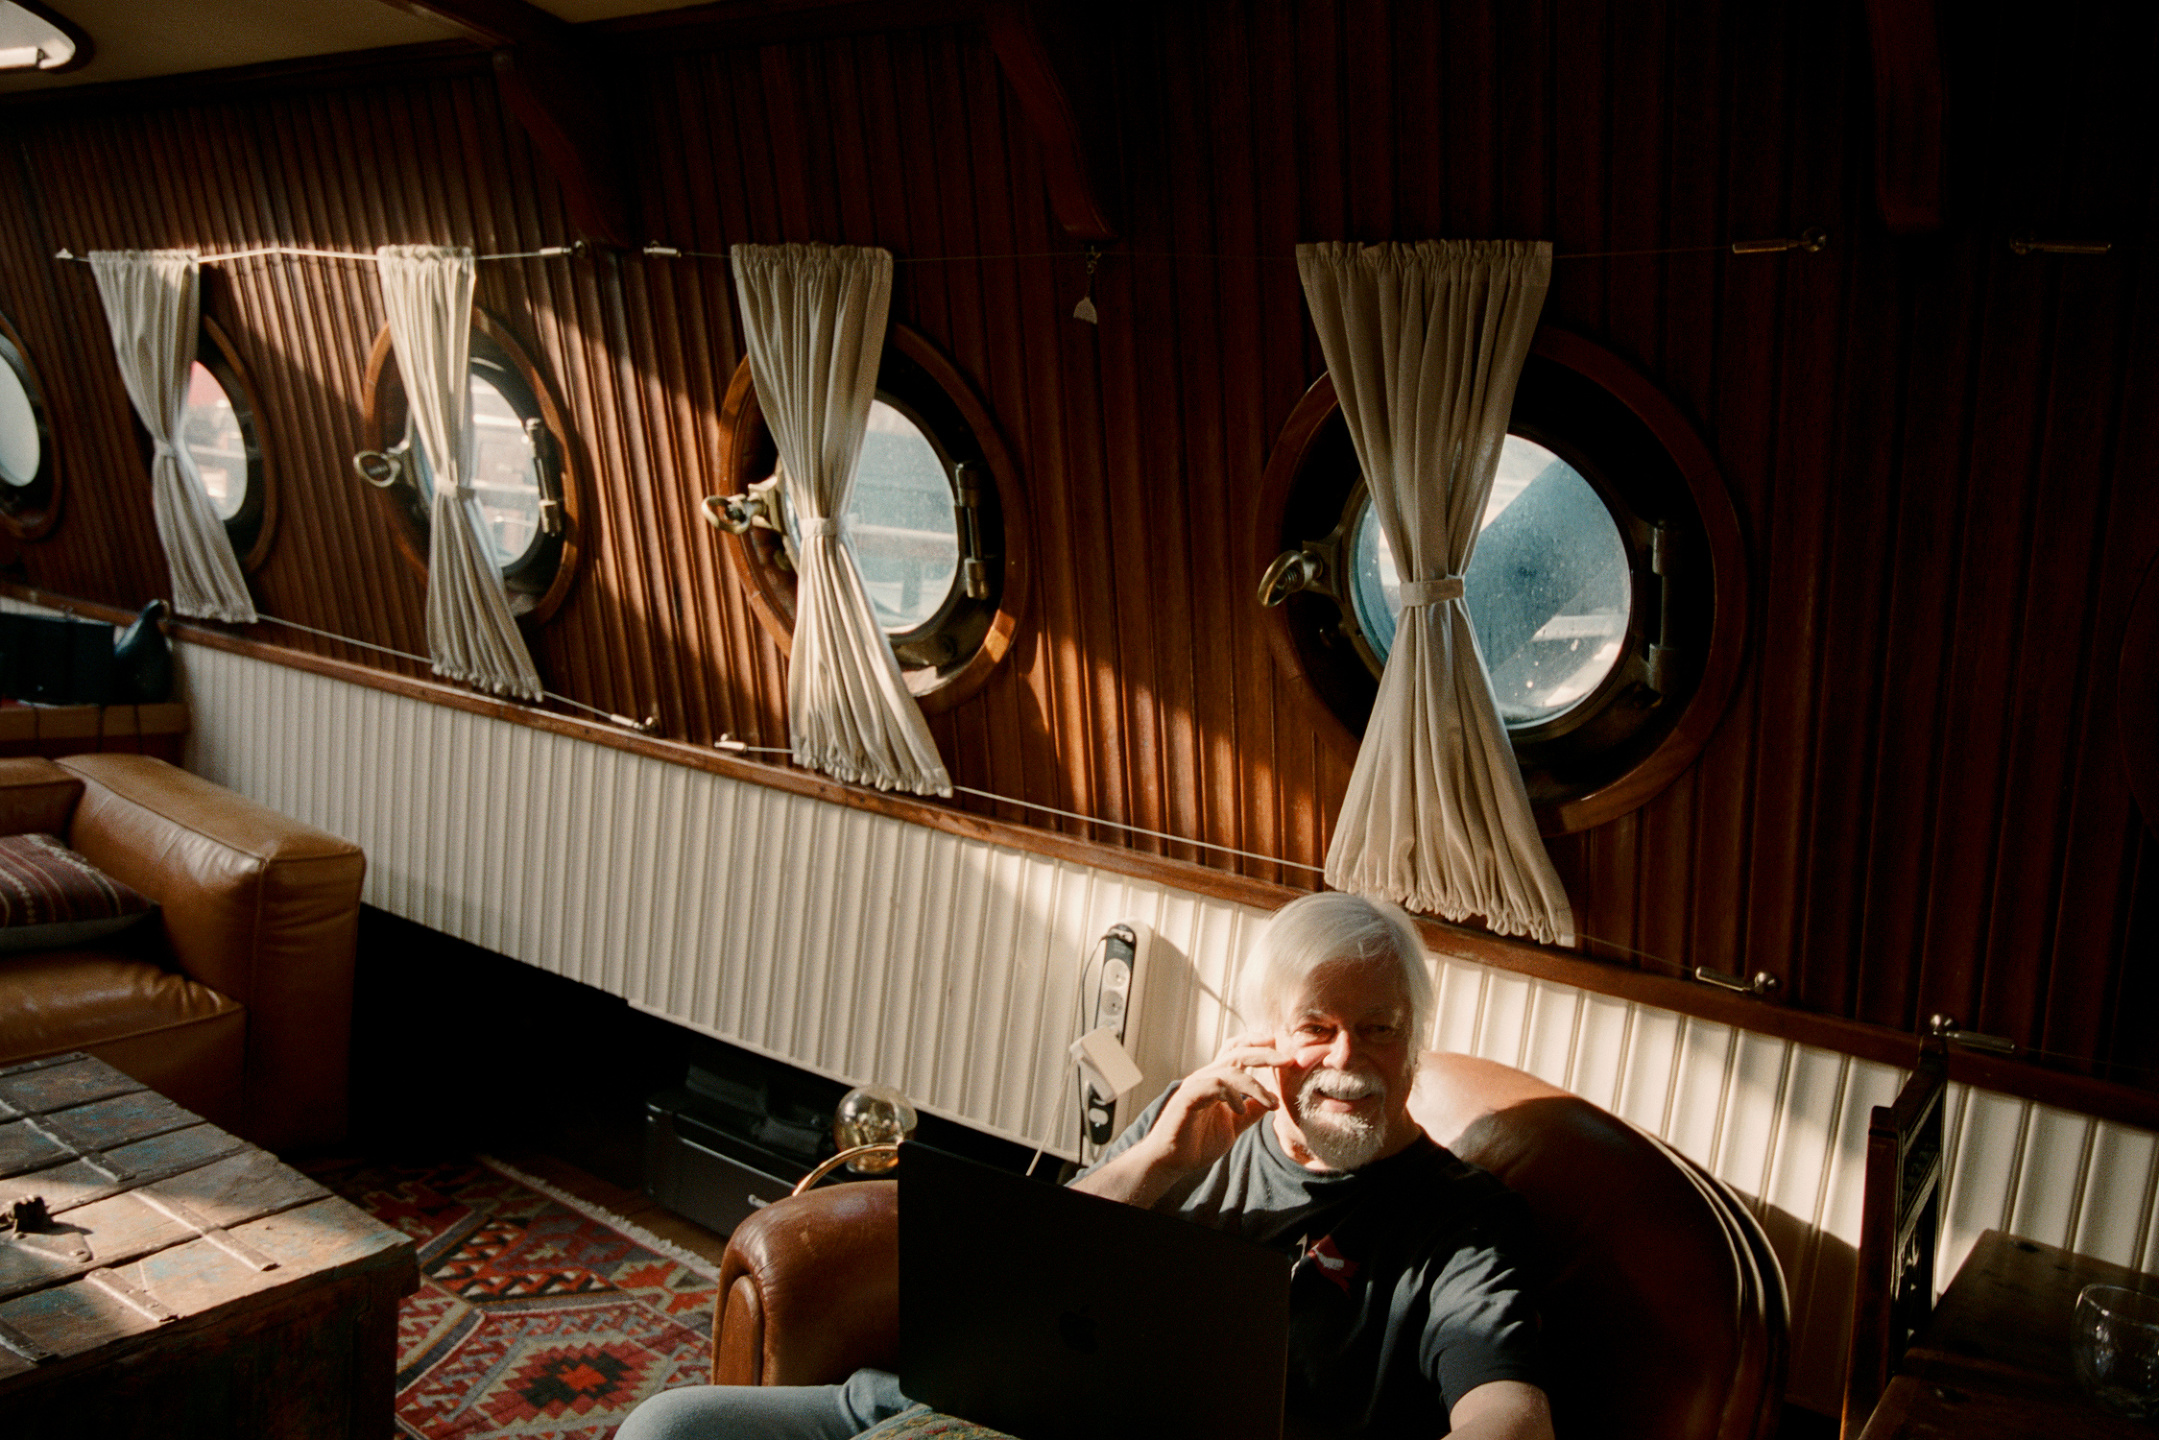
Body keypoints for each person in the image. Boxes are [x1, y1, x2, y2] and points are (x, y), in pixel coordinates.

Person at [618, 891, 1552, 1440]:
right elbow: (1023, 1278)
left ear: (1413, 1044)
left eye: (1379, 1029)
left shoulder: (1461, 1223)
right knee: (673, 1427)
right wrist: (1153, 1159)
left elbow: (1506, 1413)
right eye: (1316, 1027)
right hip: (978, 1400)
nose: (1348, 1060)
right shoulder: (1191, 1119)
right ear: (1265, 1035)